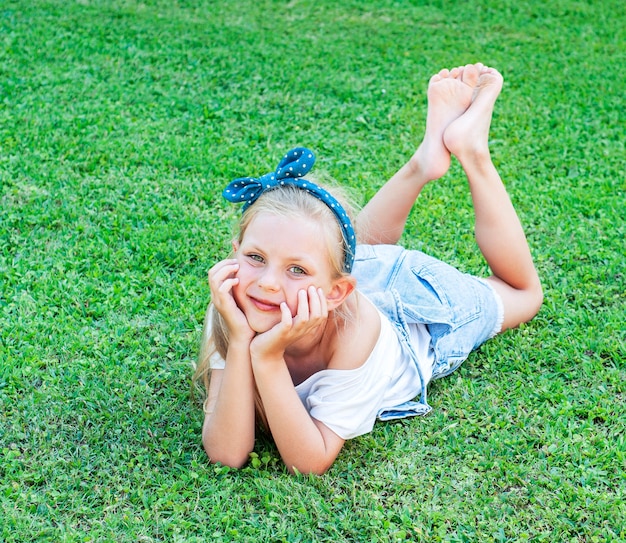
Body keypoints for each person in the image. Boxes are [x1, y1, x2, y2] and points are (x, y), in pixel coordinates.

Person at [193, 63, 543, 475]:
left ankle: (473, 152)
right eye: (255, 258)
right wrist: (240, 341)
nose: (266, 283)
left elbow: (308, 462)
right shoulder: (237, 299)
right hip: (347, 277)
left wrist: (265, 358)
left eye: (293, 270)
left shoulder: (353, 334)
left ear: (337, 293)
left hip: (417, 306)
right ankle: (425, 160)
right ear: (236, 255)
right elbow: (226, 454)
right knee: (324, 251)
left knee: (524, 294)